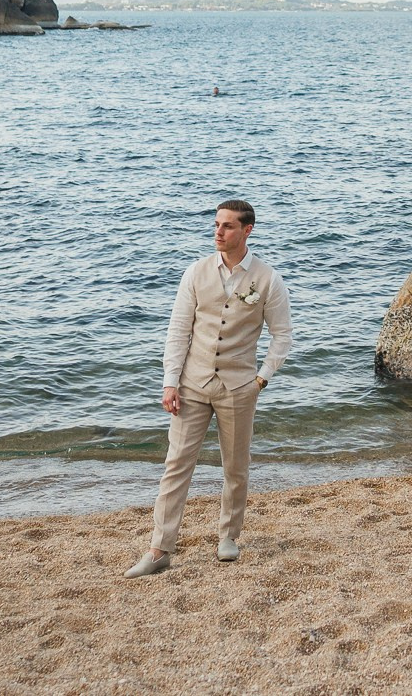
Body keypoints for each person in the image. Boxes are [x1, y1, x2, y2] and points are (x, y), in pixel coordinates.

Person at [124, 199, 293, 577]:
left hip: (239, 386)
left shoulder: (268, 279)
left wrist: (261, 378)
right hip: (192, 384)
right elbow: (178, 332)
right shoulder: (195, 272)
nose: (218, 231)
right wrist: (170, 382)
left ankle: (228, 536)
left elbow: (282, 336)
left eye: (228, 226)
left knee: (236, 467)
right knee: (176, 465)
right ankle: (160, 547)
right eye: (217, 224)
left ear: (247, 230)